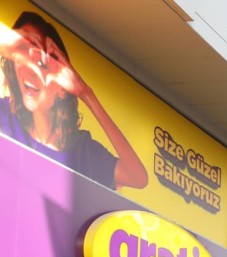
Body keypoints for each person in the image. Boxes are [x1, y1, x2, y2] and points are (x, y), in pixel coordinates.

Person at [0, 13, 148, 190]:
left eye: (42, 64)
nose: (30, 72)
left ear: (63, 89)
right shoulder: (4, 116)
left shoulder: (82, 152)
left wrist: (86, 93)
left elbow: (137, 177)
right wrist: (13, 43)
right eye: (22, 57)